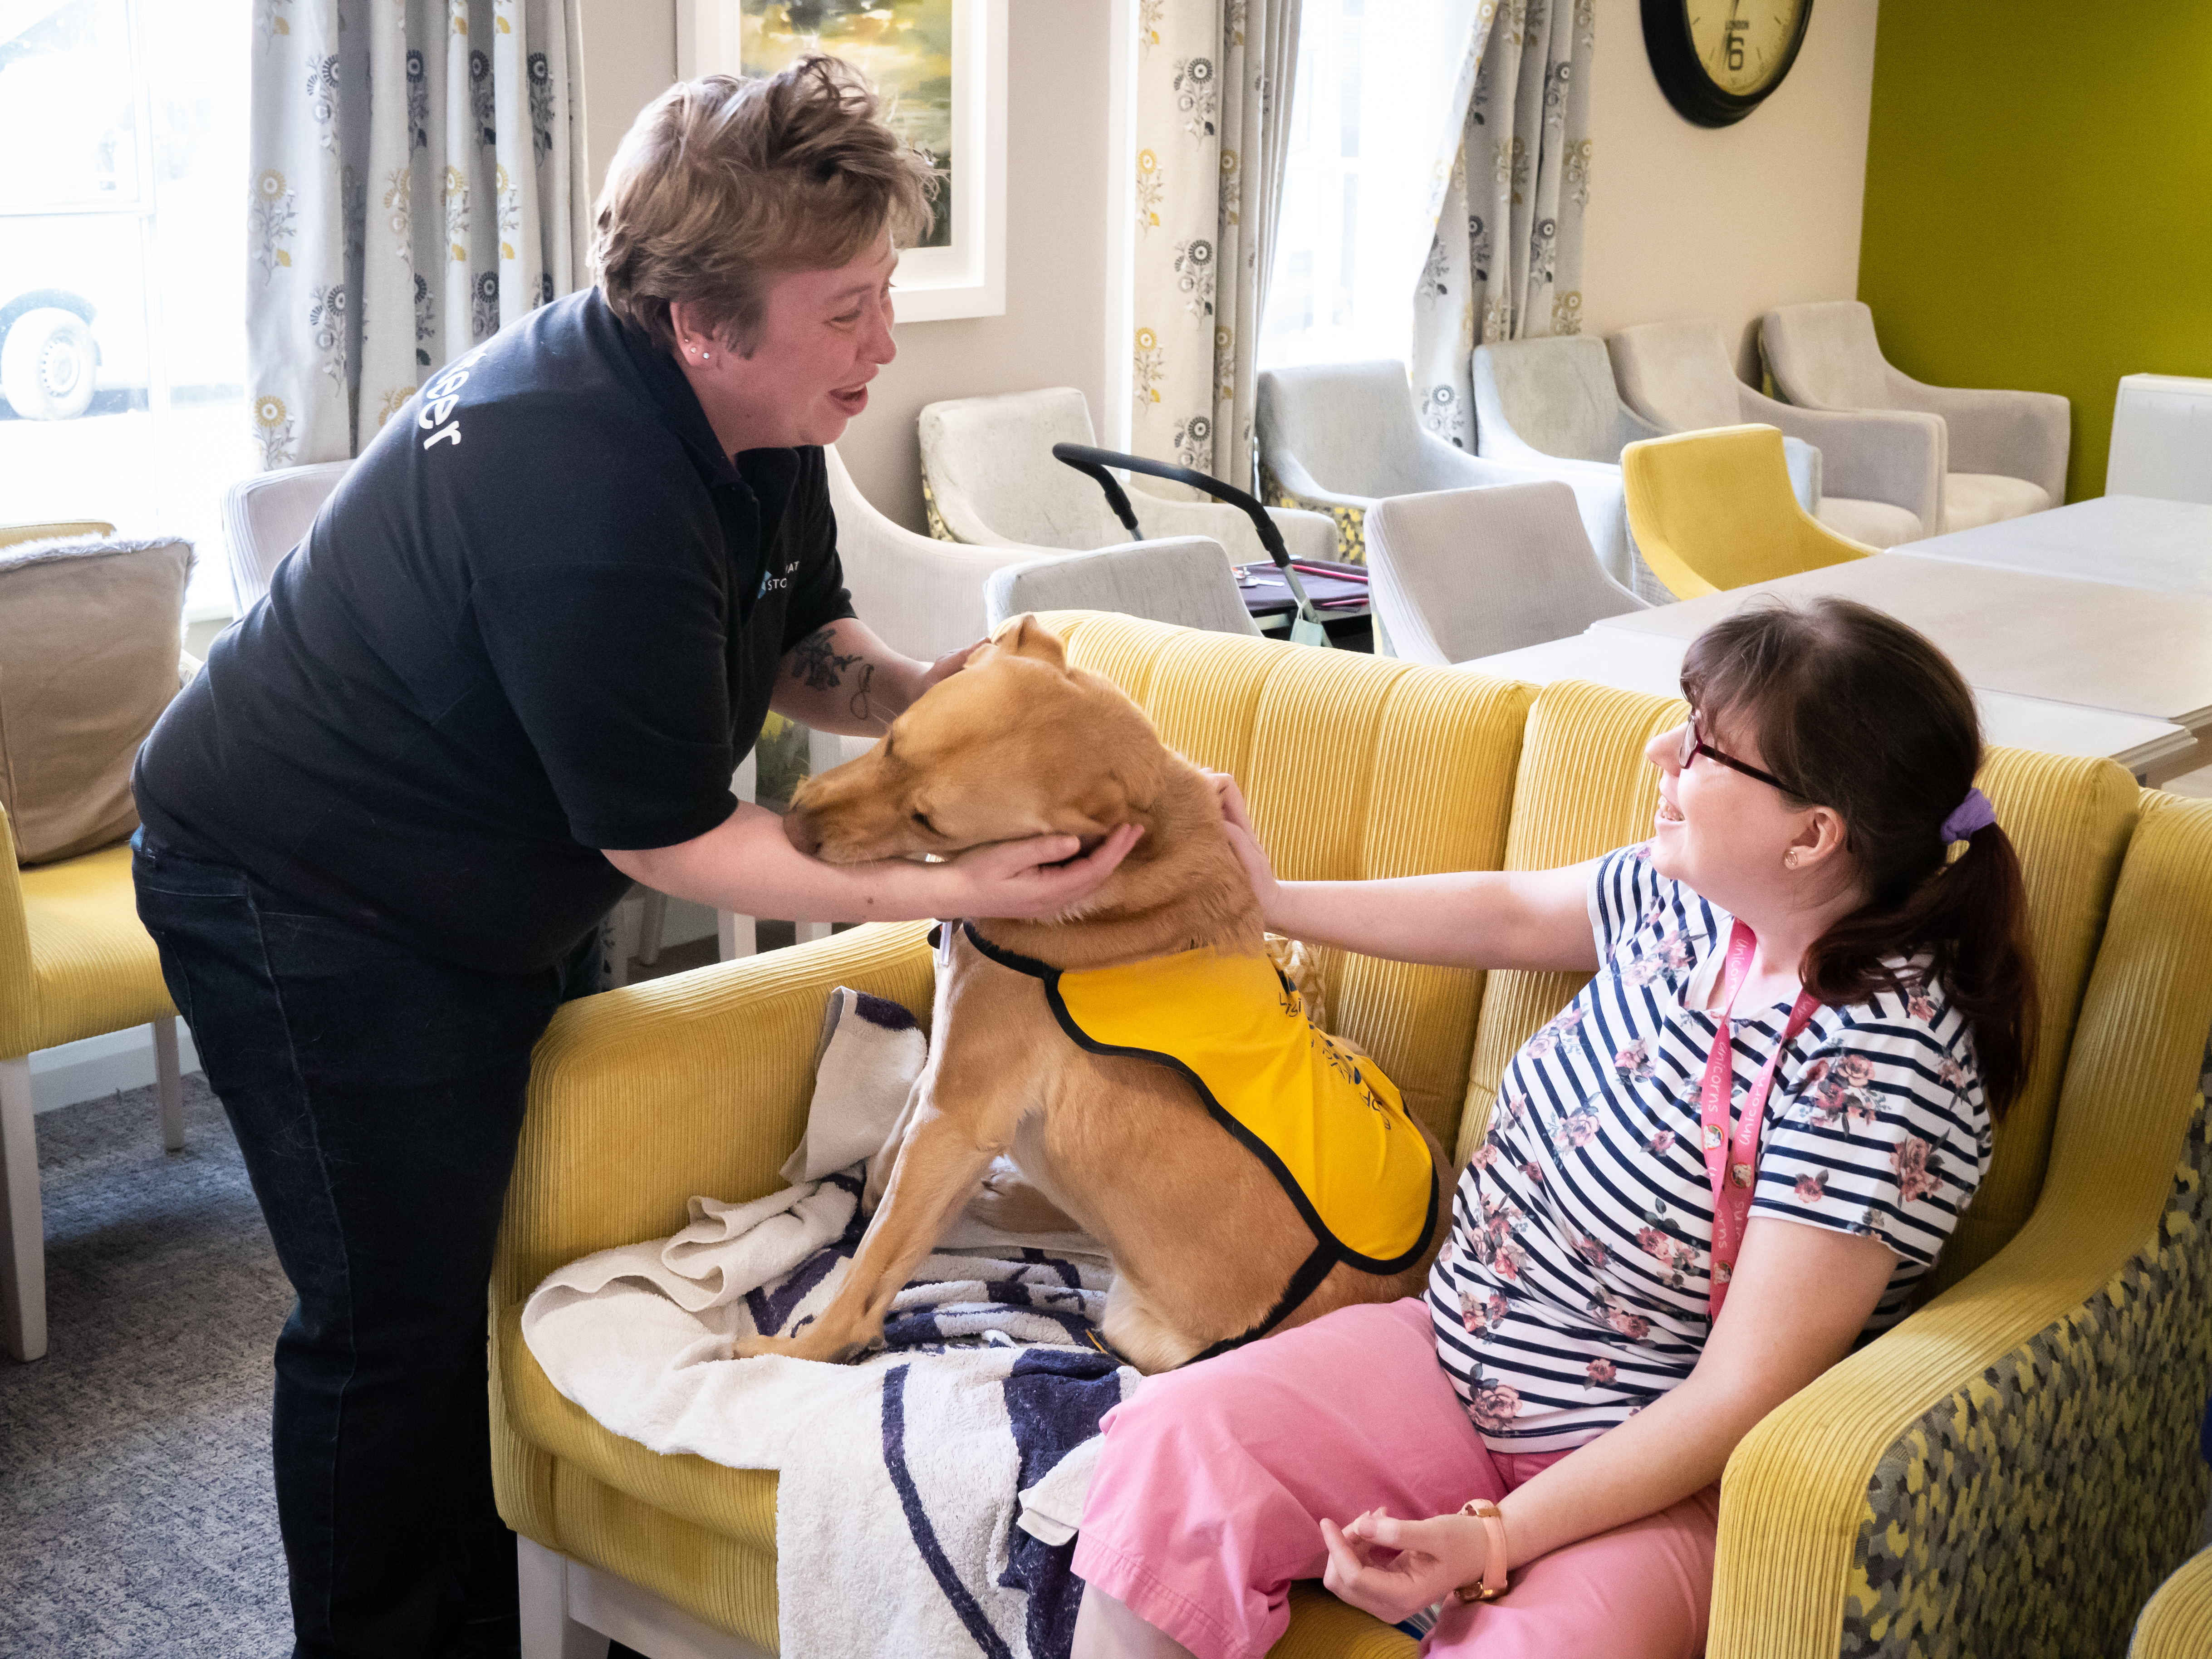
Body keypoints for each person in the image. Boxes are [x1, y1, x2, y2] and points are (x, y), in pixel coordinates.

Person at [131, 60, 1136, 1659]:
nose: (885, 342)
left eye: (885, 292)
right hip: (295, 886)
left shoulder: (756, 403)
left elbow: (799, 634)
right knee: (387, 1315)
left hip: (460, 869)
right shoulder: (579, 490)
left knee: (472, 1260)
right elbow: (678, 841)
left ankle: (501, 1603)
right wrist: (961, 887)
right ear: (703, 321)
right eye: (850, 308)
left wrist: (907, 699)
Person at [1069, 596, 2038, 1659]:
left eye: (1704, 747)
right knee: (1174, 1448)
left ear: (1811, 836)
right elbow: (1510, 911)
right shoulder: (1697, 900)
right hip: (1454, 1361)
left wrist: (1490, 1539)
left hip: (1660, 1474)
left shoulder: (1879, 1062)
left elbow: (1736, 1394)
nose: (1658, 750)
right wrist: (1270, 900)